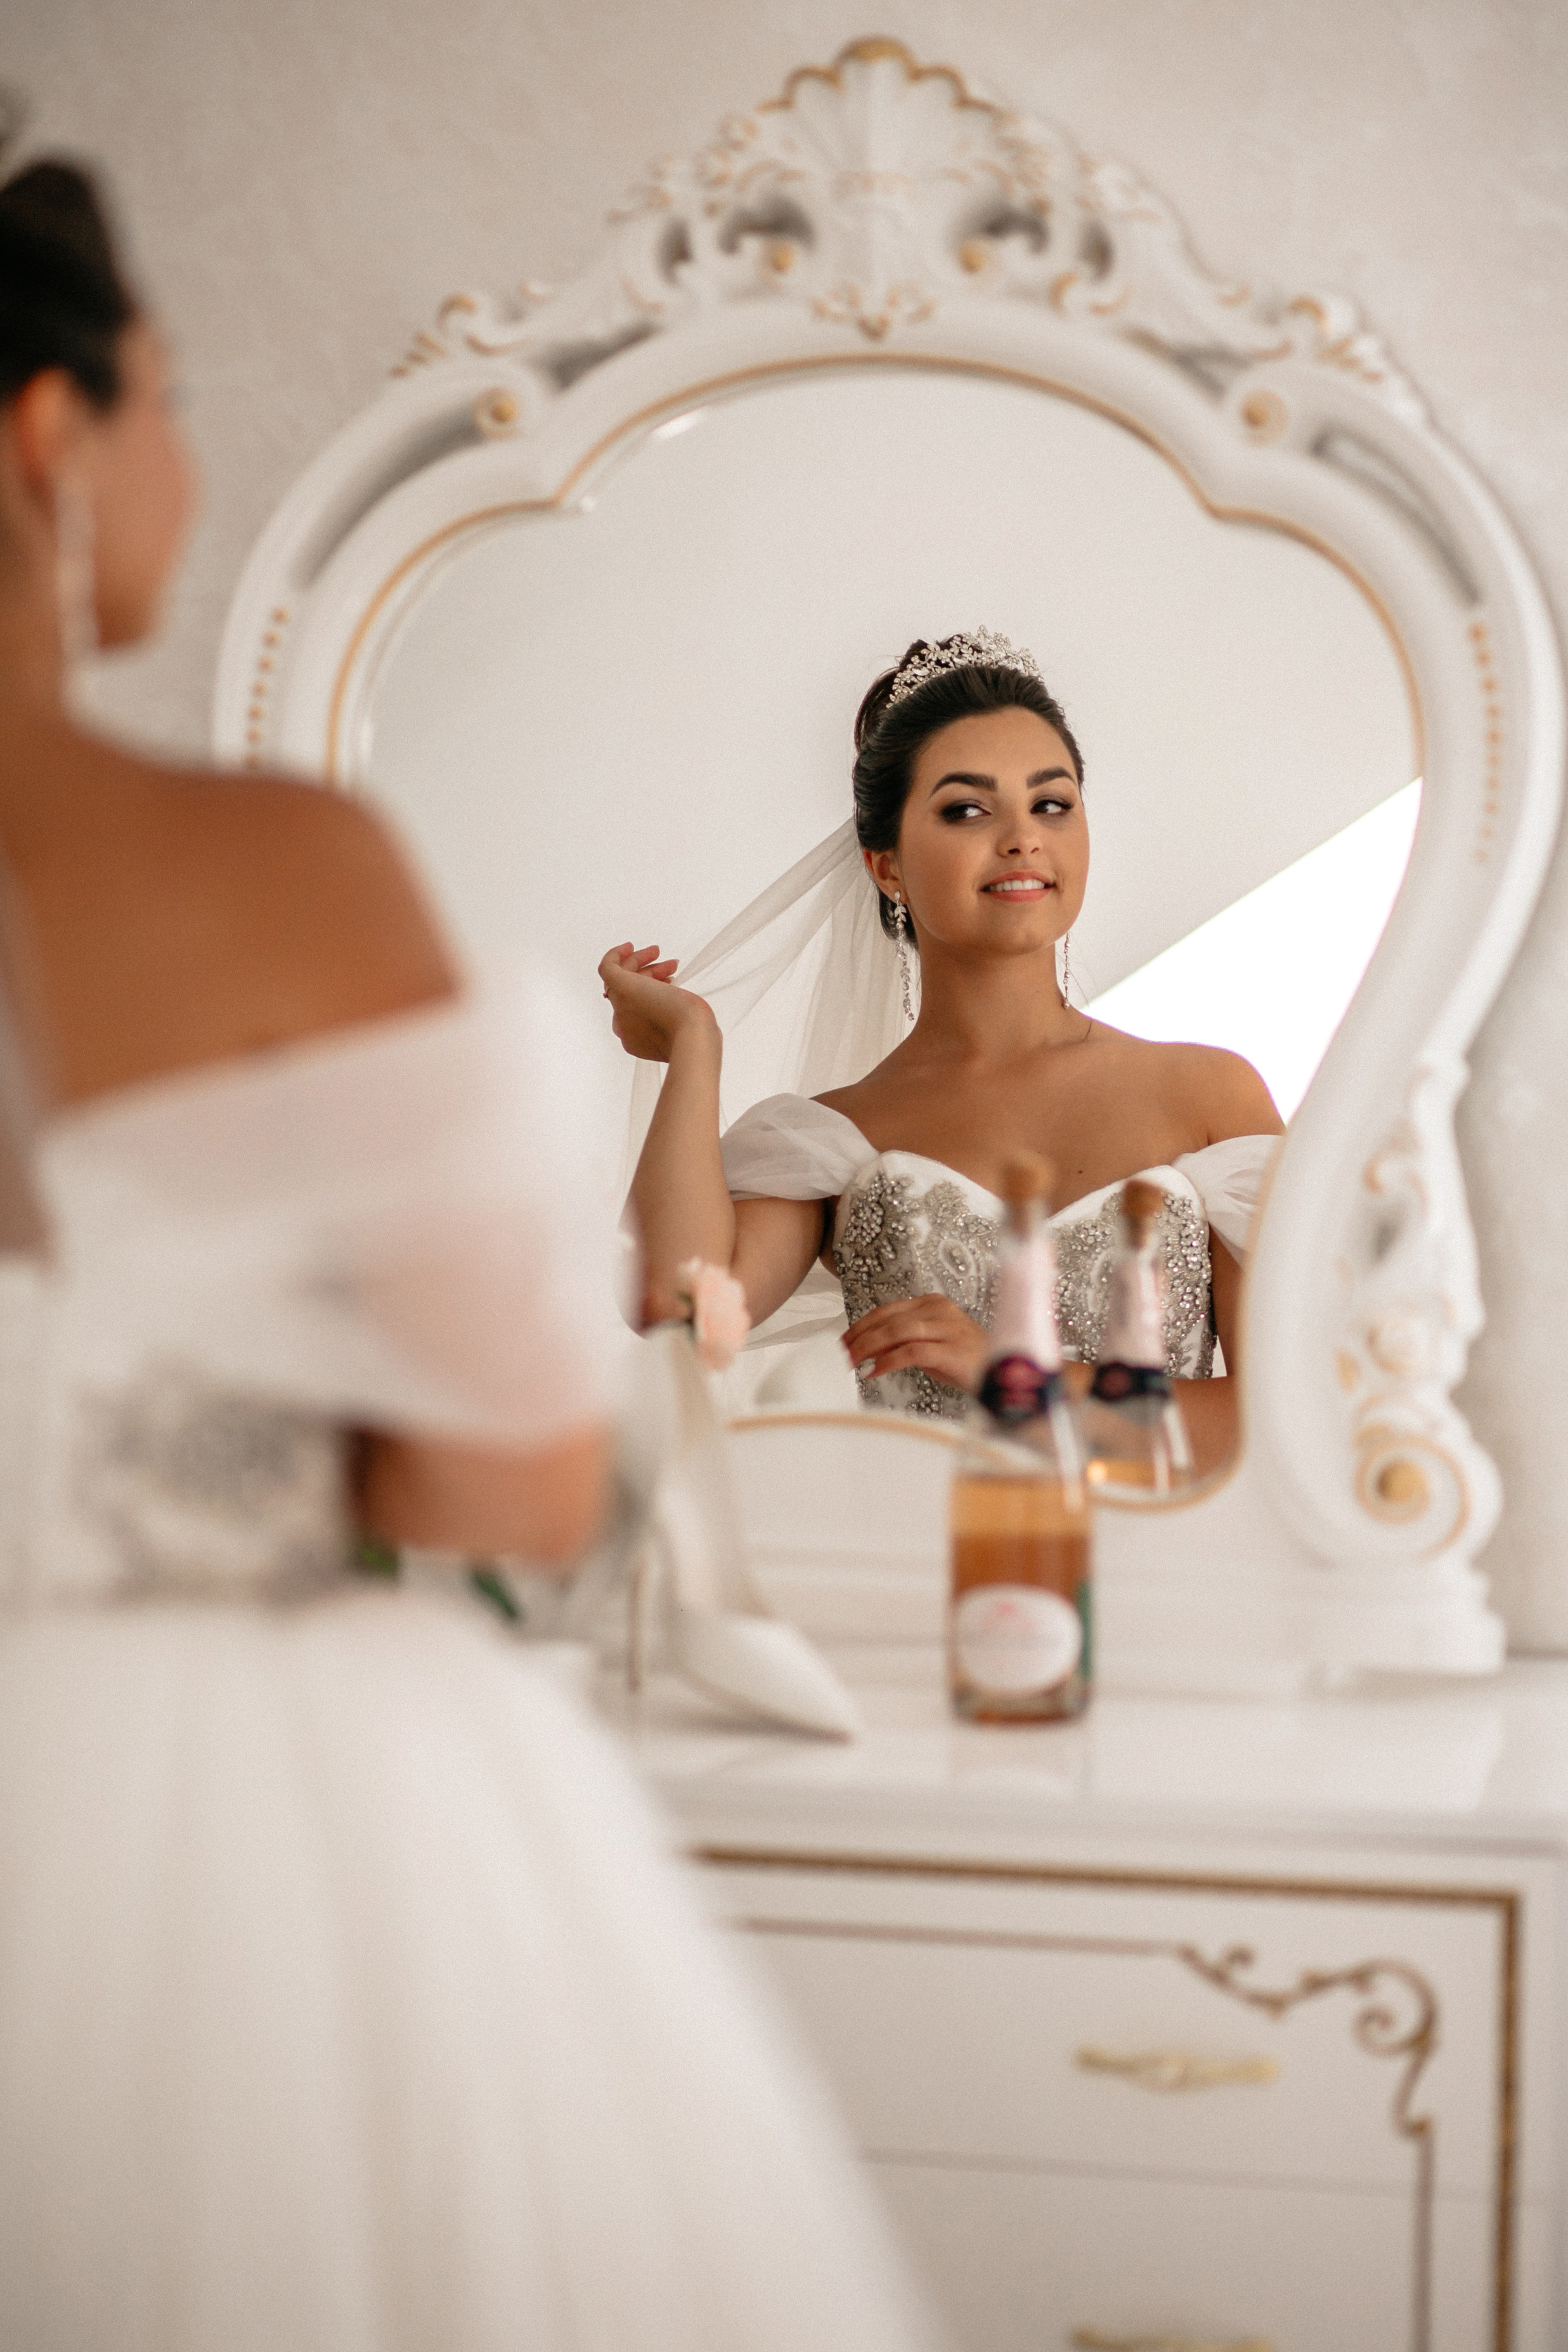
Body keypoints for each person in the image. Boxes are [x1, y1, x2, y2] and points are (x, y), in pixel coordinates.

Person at [0, 155, 938, 2352]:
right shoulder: (267, 874)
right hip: (201, 1831)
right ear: (50, 432)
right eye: (169, 397)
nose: (183, 456)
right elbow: (503, 1482)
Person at [602, 629, 1284, 1472]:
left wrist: (1018, 1380)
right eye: (966, 809)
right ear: (885, 866)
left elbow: (1281, 1417)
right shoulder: (832, 1142)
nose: (1022, 837)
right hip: (912, 1549)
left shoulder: (1208, 1097)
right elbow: (674, 1310)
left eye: (1051, 803)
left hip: (1160, 1552)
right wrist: (692, 1045)